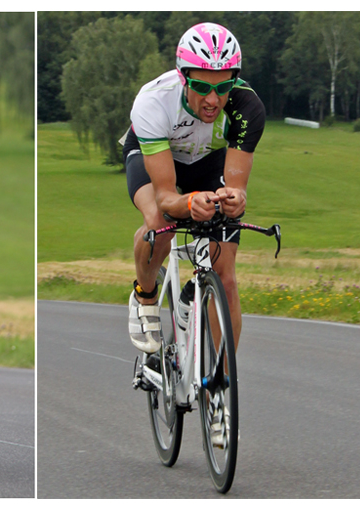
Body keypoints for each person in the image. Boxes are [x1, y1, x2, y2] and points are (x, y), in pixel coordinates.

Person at [124, 22, 265, 355]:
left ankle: (220, 391)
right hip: (156, 159)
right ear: (184, 77)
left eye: (223, 86)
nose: (213, 99)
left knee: (226, 278)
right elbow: (167, 196)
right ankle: (145, 297)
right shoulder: (154, 102)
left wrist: (234, 199)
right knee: (160, 223)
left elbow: (236, 187)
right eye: (202, 87)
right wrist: (187, 203)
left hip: (207, 161)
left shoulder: (247, 108)